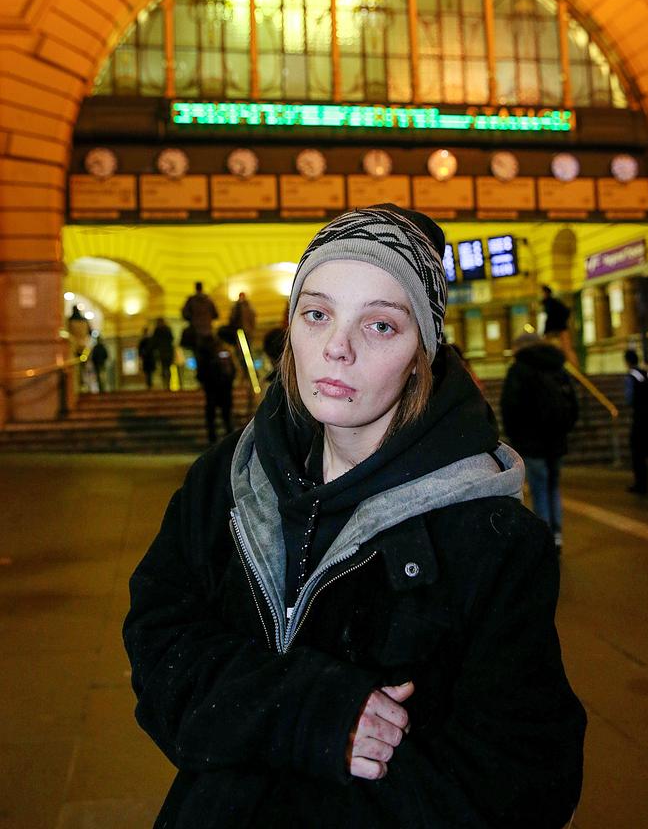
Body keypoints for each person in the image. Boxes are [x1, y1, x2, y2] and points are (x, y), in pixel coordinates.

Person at [124, 204, 585, 829]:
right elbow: (158, 648)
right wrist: (304, 712)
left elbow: (526, 776)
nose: (335, 349)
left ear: (422, 349)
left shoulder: (494, 541)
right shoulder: (224, 481)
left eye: (380, 326)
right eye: (317, 315)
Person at [501, 331, 579, 554]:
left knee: (540, 489)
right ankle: (557, 534)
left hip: (531, 443)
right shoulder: (557, 367)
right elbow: (573, 404)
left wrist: (515, 436)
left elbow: (510, 407)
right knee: (553, 487)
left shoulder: (519, 370)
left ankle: (545, 539)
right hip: (556, 441)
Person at [196, 330, 236, 443]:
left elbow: (200, 374)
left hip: (212, 390)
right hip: (223, 389)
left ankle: (213, 439)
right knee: (226, 416)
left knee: (212, 417)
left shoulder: (204, 356)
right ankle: (229, 439)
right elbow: (231, 370)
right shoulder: (222, 353)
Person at [623, 348, 648, 496]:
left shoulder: (630, 376)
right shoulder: (645, 373)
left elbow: (629, 398)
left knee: (638, 452)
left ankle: (641, 485)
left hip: (639, 418)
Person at [181, 281, 218, 351]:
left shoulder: (191, 300)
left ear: (196, 288)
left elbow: (185, 314)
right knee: (208, 353)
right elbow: (215, 315)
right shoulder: (209, 301)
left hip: (195, 333)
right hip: (208, 332)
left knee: (196, 353)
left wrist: (192, 319)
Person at [151, 317, 174, 390]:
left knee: (164, 368)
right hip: (168, 351)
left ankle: (166, 383)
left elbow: (154, 342)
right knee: (167, 368)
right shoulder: (167, 329)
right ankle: (168, 383)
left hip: (162, 352)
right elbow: (171, 339)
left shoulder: (157, 330)